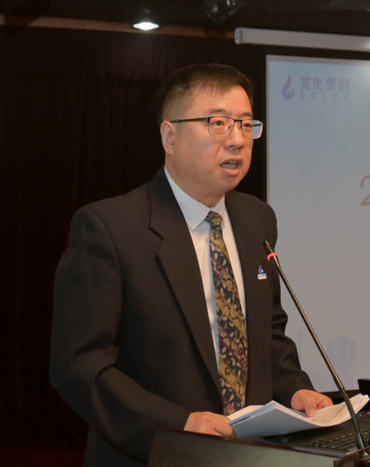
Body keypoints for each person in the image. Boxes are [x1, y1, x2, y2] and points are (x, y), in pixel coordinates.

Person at [50, 63, 332, 467]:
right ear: (169, 136)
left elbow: (266, 330)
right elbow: (80, 365)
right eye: (218, 123)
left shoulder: (257, 219)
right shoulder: (110, 229)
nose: (237, 140)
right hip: (154, 456)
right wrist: (176, 425)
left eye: (245, 124)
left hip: (250, 455)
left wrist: (295, 390)